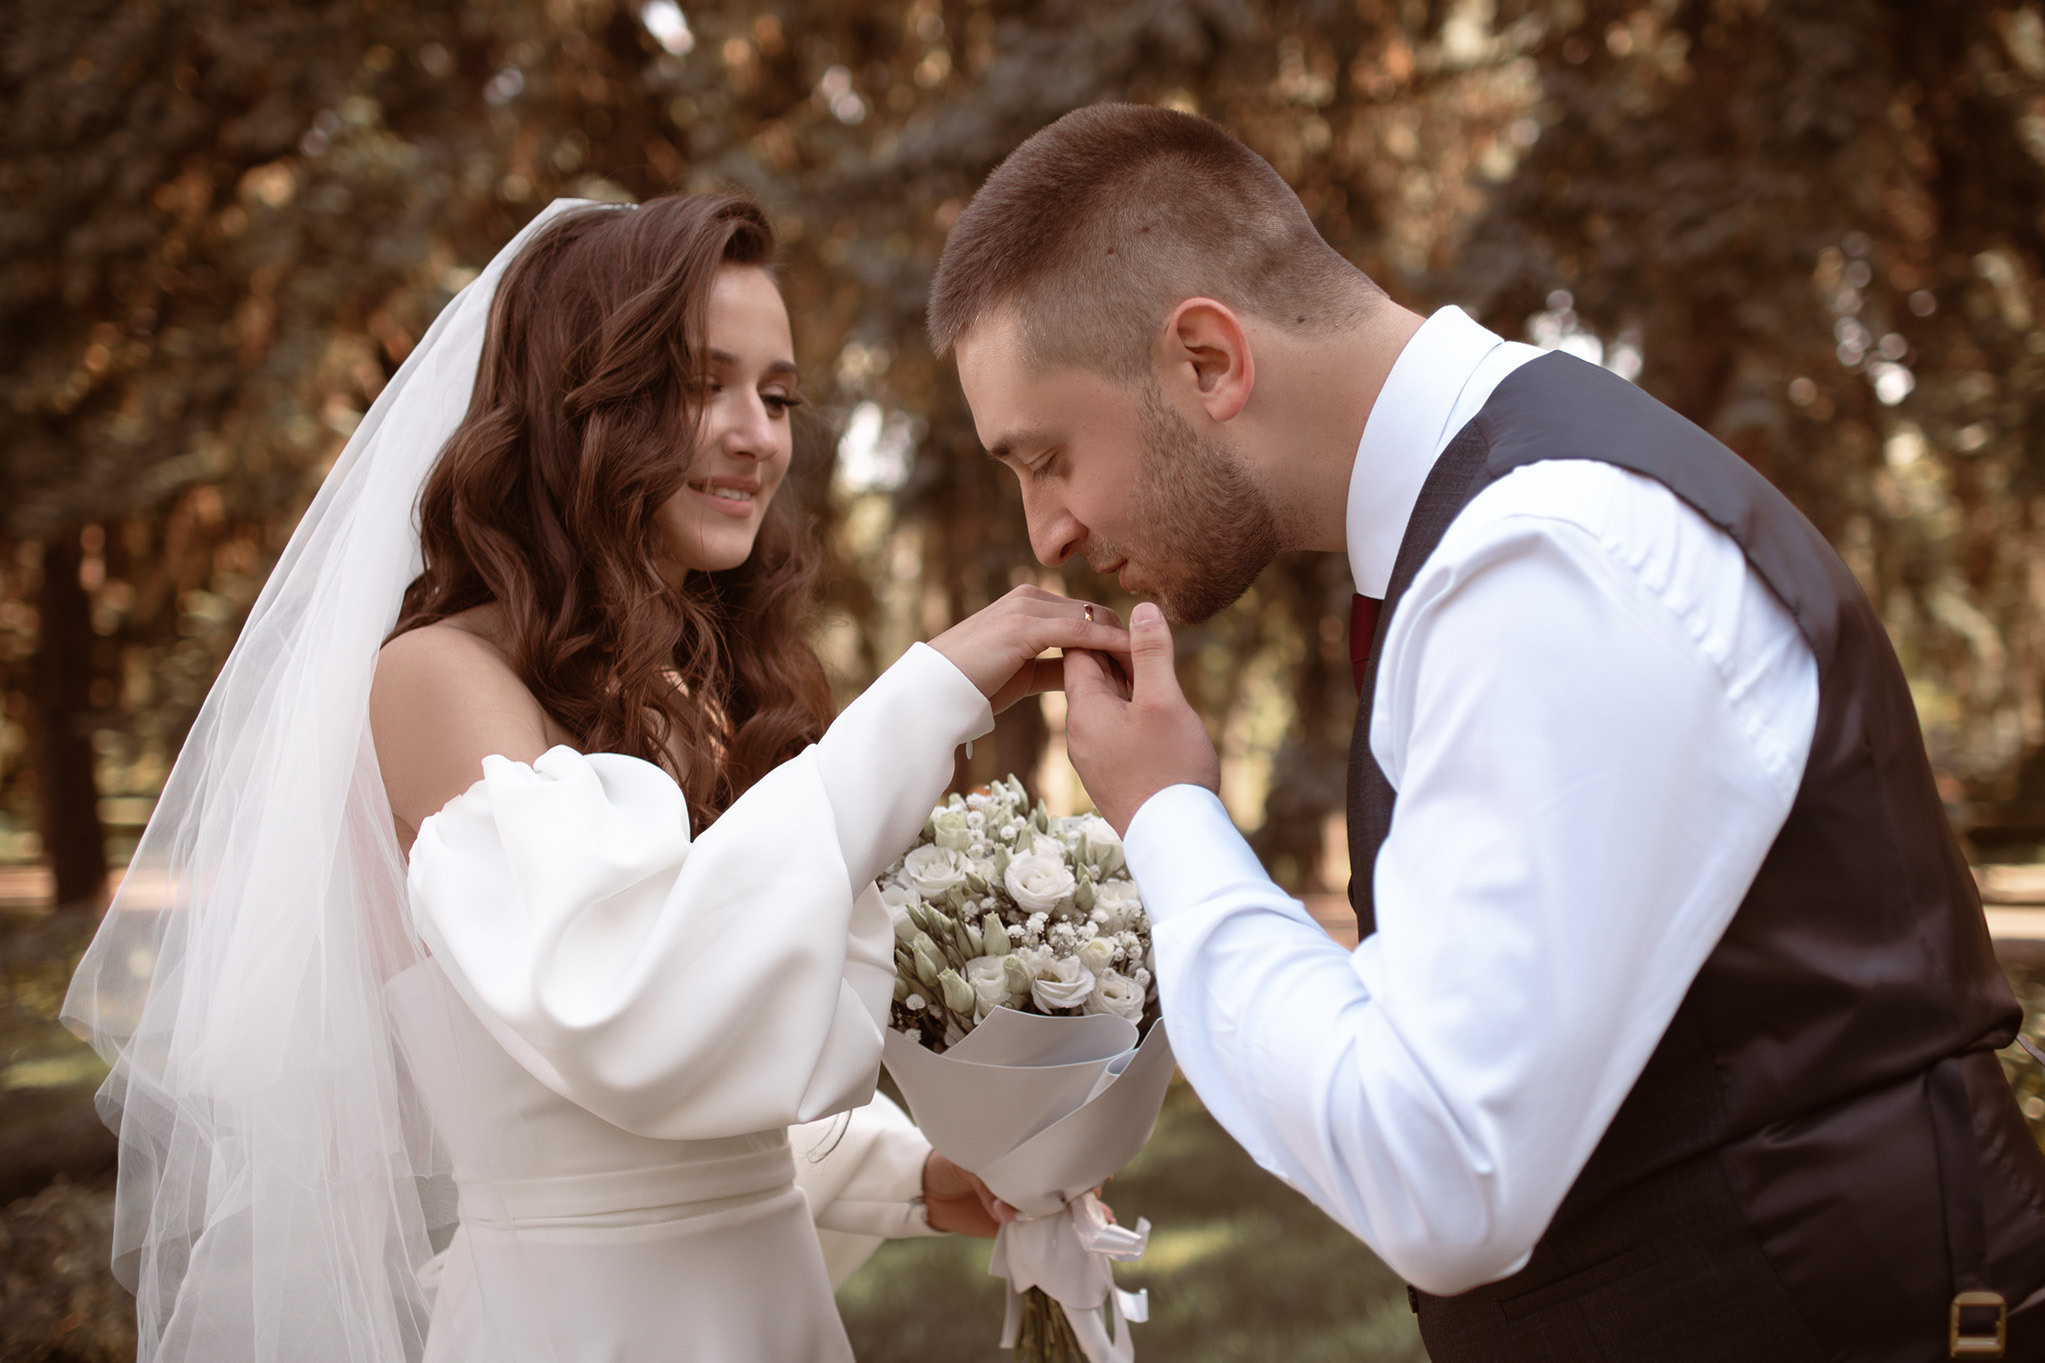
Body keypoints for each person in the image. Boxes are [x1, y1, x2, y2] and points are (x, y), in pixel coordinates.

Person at [926, 103, 2045, 1360]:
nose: (1046, 532)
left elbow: (1440, 1168)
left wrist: (1168, 816)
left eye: (1045, 458)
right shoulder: (1480, 537)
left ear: (1205, 360)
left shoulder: (1544, 557)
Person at [63, 193, 1129, 1363]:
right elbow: (625, 1010)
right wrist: (925, 699)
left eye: (778, 397)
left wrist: (914, 1173)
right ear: (578, 404)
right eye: (699, 385)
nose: (756, 435)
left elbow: (716, 1047)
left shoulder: (693, 684)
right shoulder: (436, 679)